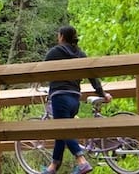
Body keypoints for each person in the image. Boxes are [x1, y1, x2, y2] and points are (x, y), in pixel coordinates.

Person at [44, 26, 110, 174]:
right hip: (75, 99)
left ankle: (82, 162)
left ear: (61, 37)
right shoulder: (81, 54)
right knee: (61, 131)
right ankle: (53, 166)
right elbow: (92, 76)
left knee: (63, 129)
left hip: (60, 96)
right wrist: (102, 93)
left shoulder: (55, 52)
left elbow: (41, 69)